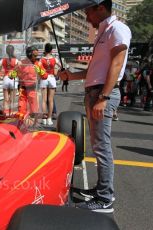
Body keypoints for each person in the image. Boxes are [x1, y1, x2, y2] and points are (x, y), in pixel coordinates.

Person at [58, 0, 131, 213]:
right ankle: (100, 189)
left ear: (100, 7)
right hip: (95, 91)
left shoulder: (117, 28)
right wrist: (71, 75)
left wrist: (104, 97)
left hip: (102, 93)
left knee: (102, 146)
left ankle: (105, 198)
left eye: (87, 12)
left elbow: (117, 64)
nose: (86, 17)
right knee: (98, 146)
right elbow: (95, 70)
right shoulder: (103, 31)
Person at [16, 46, 47, 127]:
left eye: (37, 56)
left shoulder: (38, 63)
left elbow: (45, 76)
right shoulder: (21, 63)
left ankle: (33, 125)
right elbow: (13, 74)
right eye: (35, 55)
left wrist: (40, 70)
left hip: (32, 88)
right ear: (29, 54)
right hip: (23, 89)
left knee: (33, 108)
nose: (36, 57)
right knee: (21, 106)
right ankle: (21, 124)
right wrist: (15, 73)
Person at [0, 45, 19, 116]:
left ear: (6, 51)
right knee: (12, 99)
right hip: (13, 79)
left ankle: (6, 113)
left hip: (5, 79)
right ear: (13, 51)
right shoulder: (16, 60)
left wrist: (0, 77)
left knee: (6, 99)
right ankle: (11, 113)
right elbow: (19, 69)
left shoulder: (3, 60)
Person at [40, 43, 61, 125]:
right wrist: (56, 68)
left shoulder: (41, 60)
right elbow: (61, 66)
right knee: (51, 100)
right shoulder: (55, 59)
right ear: (51, 50)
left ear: (45, 50)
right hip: (52, 78)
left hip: (44, 78)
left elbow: (37, 69)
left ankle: (44, 118)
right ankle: (49, 119)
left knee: (44, 100)